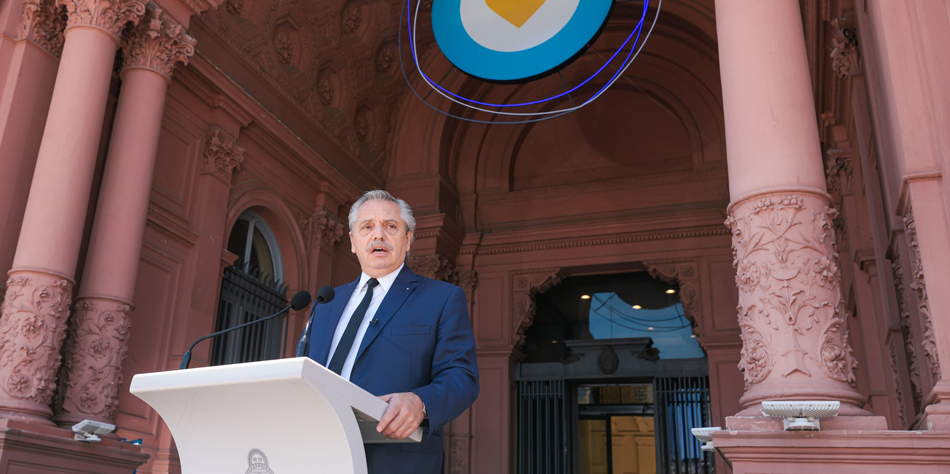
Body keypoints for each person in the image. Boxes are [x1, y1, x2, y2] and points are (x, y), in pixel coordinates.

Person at [305, 190, 479, 474]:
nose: (378, 236)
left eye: (390, 226)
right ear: (352, 241)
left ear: (408, 239)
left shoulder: (442, 298)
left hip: (397, 461)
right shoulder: (326, 303)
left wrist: (421, 403)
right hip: (320, 455)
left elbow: (463, 377)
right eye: (367, 227)